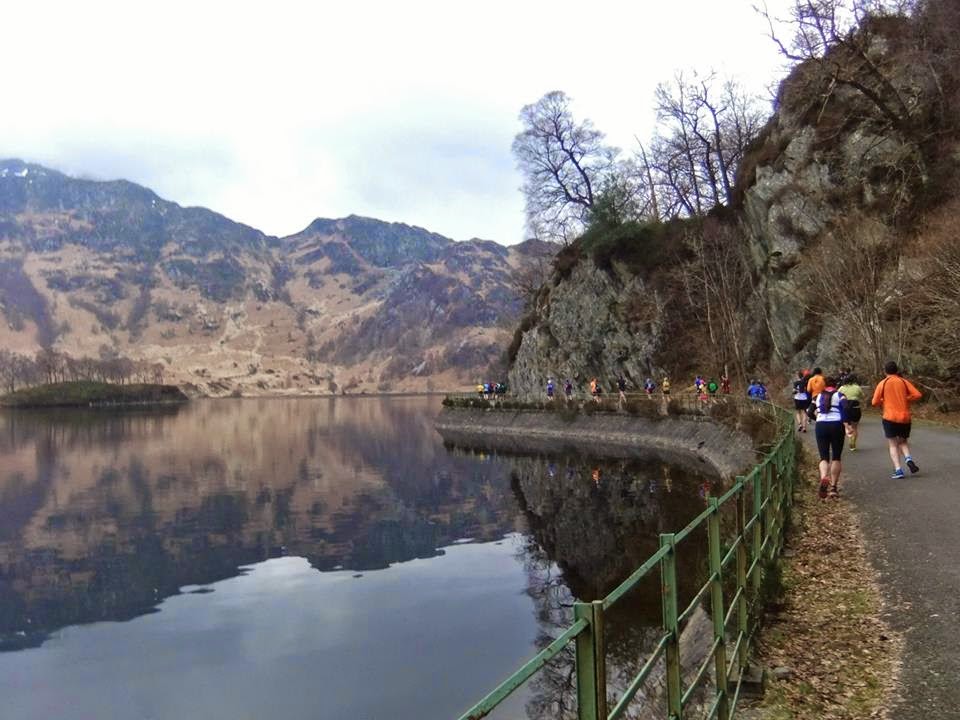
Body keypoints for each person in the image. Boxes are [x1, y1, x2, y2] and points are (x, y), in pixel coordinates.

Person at [871, 361, 922, 479]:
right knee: (903, 441)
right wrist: (906, 398)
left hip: (890, 417)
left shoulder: (883, 383)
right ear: (897, 370)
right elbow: (918, 394)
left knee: (893, 444)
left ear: (885, 371)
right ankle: (908, 459)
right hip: (905, 417)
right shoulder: (903, 381)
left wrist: (884, 400)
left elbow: (874, 402)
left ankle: (898, 470)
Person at [811, 376, 848, 498]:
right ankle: (833, 488)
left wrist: (817, 418)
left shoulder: (817, 397)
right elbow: (846, 408)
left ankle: (824, 477)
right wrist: (847, 424)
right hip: (836, 425)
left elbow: (809, 411)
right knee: (836, 457)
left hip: (821, 425)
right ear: (835, 385)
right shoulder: (840, 395)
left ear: (824, 385)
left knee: (824, 457)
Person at [837, 373, 864, 450]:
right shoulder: (857, 387)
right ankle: (853, 443)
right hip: (856, 408)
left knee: (847, 426)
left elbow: (837, 396)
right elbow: (862, 396)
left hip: (845, 409)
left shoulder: (841, 388)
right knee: (855, 427)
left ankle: (850, 437)